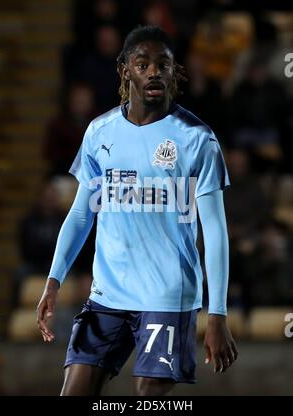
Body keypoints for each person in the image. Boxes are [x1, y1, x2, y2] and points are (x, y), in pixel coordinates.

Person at [37, 25, 238, 396]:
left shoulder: (196, 138)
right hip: (107, 296)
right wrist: (53, 280)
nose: (153, 72)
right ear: (125, 69)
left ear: (173, 71)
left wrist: (218, 313)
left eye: (162, 64)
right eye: (142, 64)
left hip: (167, 296)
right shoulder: (100, 132)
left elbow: (214, 229)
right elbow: (82, 214)